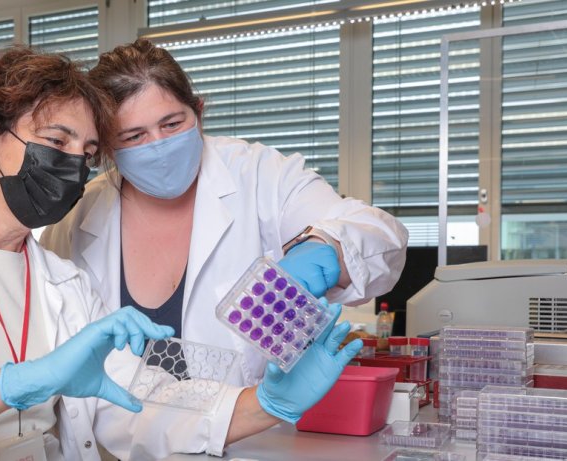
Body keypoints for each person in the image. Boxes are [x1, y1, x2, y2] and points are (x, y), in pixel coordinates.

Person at [0, 46, 361, 461]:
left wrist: (266, 405)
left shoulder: (65, 281)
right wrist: (16, 383)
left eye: (89, 151)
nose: (74, 163)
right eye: (56, 142)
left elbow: (135, 401)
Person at [41, 38, 409, 386]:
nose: (158, 145)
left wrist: (326, 246)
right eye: (133, 136)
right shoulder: (78, 218)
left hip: (247, 440)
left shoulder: (260, 175)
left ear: (198, 113)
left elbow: (379, 235)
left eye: (172, 124)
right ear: (105, 145)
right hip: (119, 443)